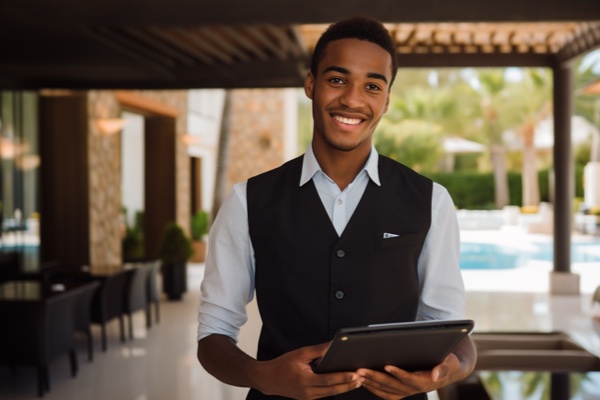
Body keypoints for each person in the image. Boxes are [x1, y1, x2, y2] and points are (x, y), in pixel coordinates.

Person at [197, 15, 477, 400]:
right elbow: (213, 335)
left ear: (386, 100)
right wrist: (263, 376)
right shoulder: (247, 201)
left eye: (372, 86)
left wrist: (447, 372)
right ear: (311, 84)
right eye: (337, 79)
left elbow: (453, 332)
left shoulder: (432, 201)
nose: (353, 99)